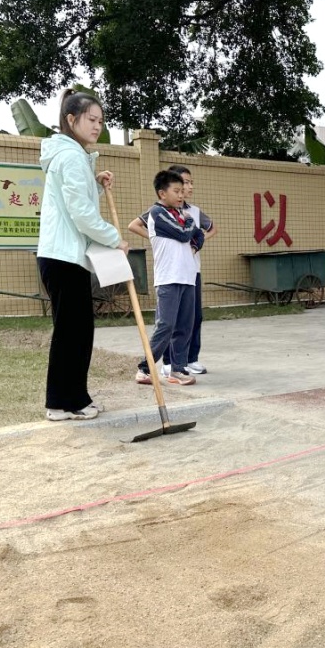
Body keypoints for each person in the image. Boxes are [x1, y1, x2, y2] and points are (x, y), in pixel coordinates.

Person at [36, 89, 128, 421]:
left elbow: (74, 197)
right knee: (72, 332)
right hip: (63, 257)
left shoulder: (72, 156)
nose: (97, 127)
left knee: (76, 331)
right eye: (91, 119)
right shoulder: (70, 156)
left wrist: (95, 180)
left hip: (65, 256)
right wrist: (114, 239)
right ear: (71, 119)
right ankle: (64, 401)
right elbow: (81, 214)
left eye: (101, 121)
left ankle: (71, 398)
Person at [127, 164, 216, 375]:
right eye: (177, 190)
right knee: (166, 325)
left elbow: (199, 235)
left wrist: (193, 236)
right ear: (162, 193)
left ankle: (178, 368)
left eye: (183, 189)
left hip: (188, 276)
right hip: (169, 277)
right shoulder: (158, 212)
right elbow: (185, 233)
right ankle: (145, 368)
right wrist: (189, 225)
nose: (182, 194)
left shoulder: (182, 213)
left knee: (185, 325)